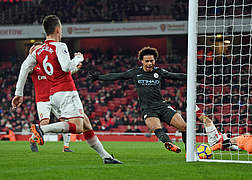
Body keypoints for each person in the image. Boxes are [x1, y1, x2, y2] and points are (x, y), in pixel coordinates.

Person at [11, 15, 121, 164]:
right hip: (67, 91)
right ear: (58, 29)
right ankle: (42, 129)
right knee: (77, 127)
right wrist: (78, 58)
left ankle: (106, 157)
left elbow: (24, 68)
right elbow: (66, 67)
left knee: (86, 124)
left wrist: (18, 93)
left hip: (54, 94)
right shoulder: (60, 46)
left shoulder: (37, 52)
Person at [89, 46, 187, 153]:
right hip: (148, 108)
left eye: (152, 61)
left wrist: (192, 76)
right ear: (141, 61)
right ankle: (169, 143)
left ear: (155, 60)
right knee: (157, 128)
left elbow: (175, 76)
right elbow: (118, 76)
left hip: (162, 106)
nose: (150, 63)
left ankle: (189, 152)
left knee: (184, 126)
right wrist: (99, 77)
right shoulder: (135, 72)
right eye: (147, 61)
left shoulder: (159, 72)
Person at [28, 42, 73, 152]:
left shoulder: (49, 64)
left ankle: (66, 147)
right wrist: (30, 55)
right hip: (42, 100)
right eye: (36, 50)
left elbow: (65, 71)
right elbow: (25, 69)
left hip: (55, 97)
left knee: (66, 120)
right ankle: (32, 139)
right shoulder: (33, 67)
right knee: (44, 123)